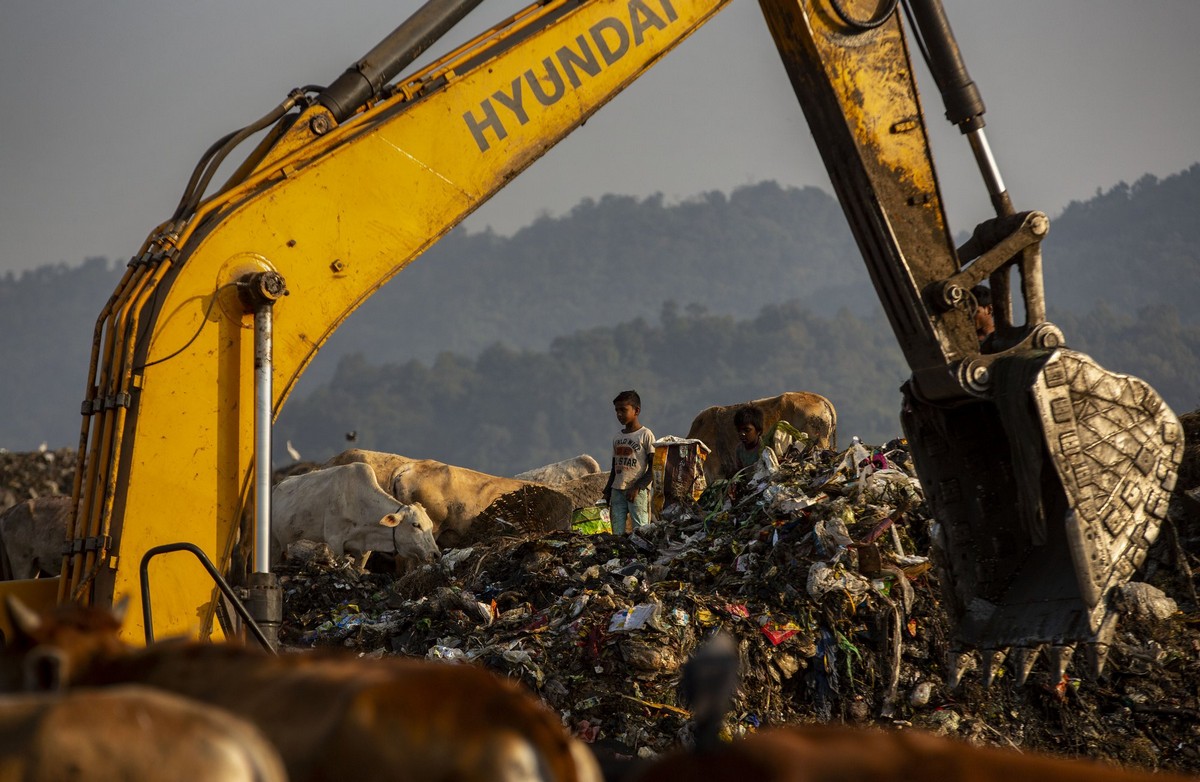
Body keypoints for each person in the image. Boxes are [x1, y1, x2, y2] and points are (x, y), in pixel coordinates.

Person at [601, 390, 655, 535]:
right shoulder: (617, 437)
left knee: (641, 531)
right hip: (617, 490)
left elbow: (654, 467)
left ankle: (641, 557)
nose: (619, 414)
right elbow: (614, 468)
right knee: (616, 532)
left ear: (636, 410)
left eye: (623, 410)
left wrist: (638, 487)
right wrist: (607, 492)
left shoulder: (645, 435)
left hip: (637, 492)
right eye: (616, 410)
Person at [733, 404, 766, 474]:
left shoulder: (765, 447)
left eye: (747, 430)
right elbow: (741, 472)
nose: (742, 434)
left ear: (758, 431)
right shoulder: (739, 450)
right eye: (739, 430)